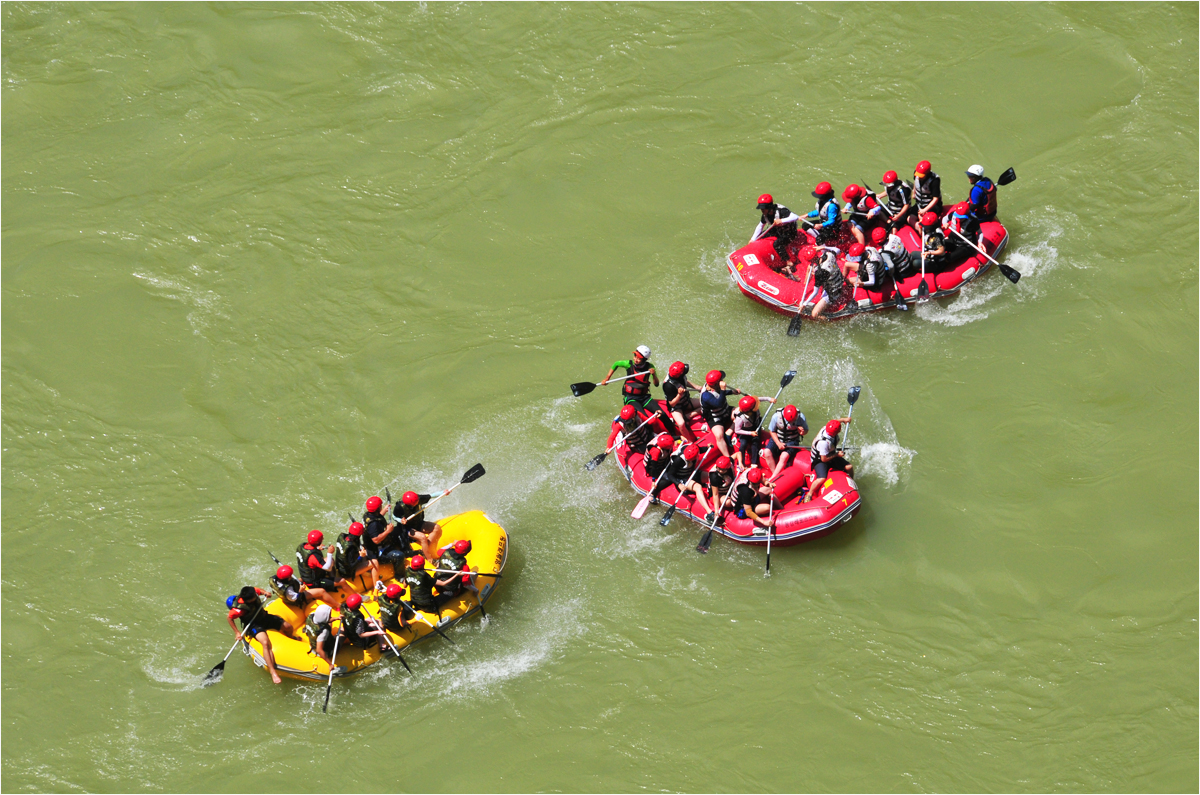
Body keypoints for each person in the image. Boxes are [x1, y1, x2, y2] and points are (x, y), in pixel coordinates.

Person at [227, 585, 295, 684]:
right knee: (265, 643)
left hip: (264, 617)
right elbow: (229, 618)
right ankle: (273, 672)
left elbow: (259, 590)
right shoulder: (238, 609)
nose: (256, 595)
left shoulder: (252, 592)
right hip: (253, 625)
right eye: (255, 596)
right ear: (248, 600)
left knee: (288, 627)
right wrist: (237, 632)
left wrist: (265, 593)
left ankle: (291, 639)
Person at [803, 418, 854, 502]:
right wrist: (837, 455)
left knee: (849, 467)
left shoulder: (827, 428)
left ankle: (851, 482)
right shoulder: (823, 443)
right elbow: (824, 459)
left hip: (830, 453)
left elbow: (834, 423)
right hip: (819, 459)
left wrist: (843, 420)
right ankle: (809, 494)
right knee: (821, 478)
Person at [699, 370, 745, 459]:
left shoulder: (715, 386)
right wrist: (723, 390)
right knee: (719, 436)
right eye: (721, 380)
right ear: (716, 383)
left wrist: (732, 392)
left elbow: (719, 393)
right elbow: (719, 403)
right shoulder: (706, 395)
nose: (723, 381)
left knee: (742, 412)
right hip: (714, 418)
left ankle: (729, 432)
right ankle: (728, 457)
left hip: (726, 411)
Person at [661, 443, 713, 520]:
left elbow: (701, 450)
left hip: (691, 474)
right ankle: (709, 513)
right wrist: (678, 484)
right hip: (681, 479)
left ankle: (714, 493)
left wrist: (707, 447)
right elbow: (670, 475)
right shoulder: (679, 460)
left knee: (710, 476)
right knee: (698, 487)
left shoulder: (695, 449)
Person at [750, 193, 801, 266]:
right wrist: (753, 239)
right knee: (760, 236)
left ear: (769, 207)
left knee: (777, 244)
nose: (762, 210)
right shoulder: (765, 215)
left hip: (790, 232)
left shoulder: (781, 211)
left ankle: (788, 261)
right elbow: (760, 226)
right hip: (778, 230)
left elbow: (795, 217)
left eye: (763, 208)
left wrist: (781, 221)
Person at [392, 490, 442, 561]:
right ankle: (429, 559)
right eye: (416, 502)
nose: (418, 502)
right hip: (406, 528)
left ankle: (426, 548)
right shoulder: (399, 507)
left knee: (436, 527)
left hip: (418, 523)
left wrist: (443, 492)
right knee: (423, 537)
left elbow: (432, 495)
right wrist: (401, 520)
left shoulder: (418, 498)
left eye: (418, 501)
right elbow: (394, 516)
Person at [766, 404, 809, 480]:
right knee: (766, 452)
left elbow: (806, 430)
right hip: (778, 438)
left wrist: (802, 432)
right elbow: (772, 431)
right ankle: (774, 474)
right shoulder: (776, 416)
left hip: (792, 440)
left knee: (784, 456)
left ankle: (773, 478)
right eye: (790, 421)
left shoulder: (801, 417)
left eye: (793, 420)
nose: (791, 422)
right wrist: (778, 443)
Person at [662, 361, 702, 442]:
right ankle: (689, 441)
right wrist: (679, 395)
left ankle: (688, 416)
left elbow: (685, 381)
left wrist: (697, 387)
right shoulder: (668, 385)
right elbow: (671, 404)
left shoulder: (680, 376)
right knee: (681, 423)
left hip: (686, 401)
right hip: (676, 407)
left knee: (706, 403)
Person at [333, 521, 379, 591]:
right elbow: (352, 566)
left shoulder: (342, 536)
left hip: (340, 567)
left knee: (363, 550)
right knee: (374, 562)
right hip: (347, 573)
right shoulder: (351, 548)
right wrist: (361, 556)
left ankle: (365, 571)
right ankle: (376, 588)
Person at [269, 564, 338, 610]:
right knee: (322, 591)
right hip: (295, 599)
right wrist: (301, 591)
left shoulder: (272, 579)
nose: (291, 576)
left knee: (301, 579)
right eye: (290, 575)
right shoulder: (288, 590)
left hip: (287, 593)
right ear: (287, 578)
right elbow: (295, 599)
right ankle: (338, 605)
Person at [810, 246, 850, 320]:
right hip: (837, 282)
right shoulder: (829, 255)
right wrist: (823, 247)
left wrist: (804, 304)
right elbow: (837, 249)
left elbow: (815, 292)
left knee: (814, 314)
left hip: (833, 292)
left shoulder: (821, 272)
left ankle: (828, 321)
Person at [732, 395, 772, 468]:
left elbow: (758, 399)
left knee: (755, 443)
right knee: (743, 445)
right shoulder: (740, 418)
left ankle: (754, 463)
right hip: (744, 431)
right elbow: (737, 430)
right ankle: (741, 463)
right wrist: (750, 433)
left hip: (755, 427)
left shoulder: (752, 406)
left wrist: (769, 399)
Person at [305, 603, 338, 671]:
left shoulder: (310, 616)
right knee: (342, 633)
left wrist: (337, 618)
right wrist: (330, 664)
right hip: (324, 651)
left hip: (313, 642)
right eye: (329, 615)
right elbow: (319, 650)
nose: (330, 616)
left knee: (329, 623)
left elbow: (323, 619)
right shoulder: (324, 631)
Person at [706, 455, 736, 520]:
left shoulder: (729, 463)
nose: (720, 471)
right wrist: (716, 510)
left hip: (728, 490)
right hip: (718, 495)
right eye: (719, 468)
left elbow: (738, 454)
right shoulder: (714, 476)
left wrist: (741, 464)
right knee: (729, 502)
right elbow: (715, 494)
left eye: (723, 470)